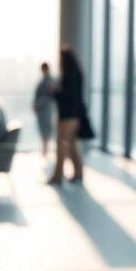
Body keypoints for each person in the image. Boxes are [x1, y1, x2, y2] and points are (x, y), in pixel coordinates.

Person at [48, 48, 87, 185]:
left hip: (67, 117)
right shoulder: (77, 74)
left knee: (61, 147)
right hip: (75, 116)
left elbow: (67, 97)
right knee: (72, 146)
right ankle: (78, 173)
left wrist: (55, 93)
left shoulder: (68, 76)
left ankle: (57, 176)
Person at [33, 62, 55, 157]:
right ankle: (44, 149)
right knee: (43, 128)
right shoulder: (44, 80)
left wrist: (38, 104)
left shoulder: (49, 80)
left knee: (46, 128)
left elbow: (47, 95)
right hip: (41, 109)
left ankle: (45, 150)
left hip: (45, 108)